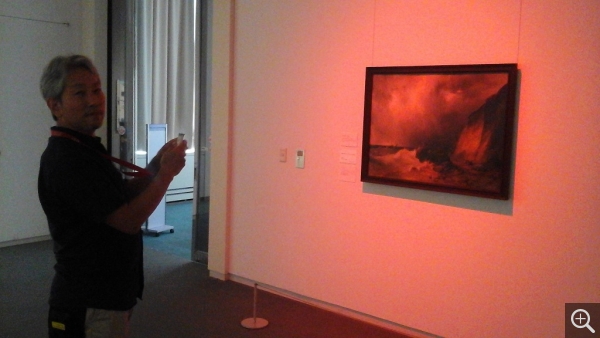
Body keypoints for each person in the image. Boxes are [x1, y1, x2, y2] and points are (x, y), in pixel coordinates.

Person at [38, 54, 186, 338]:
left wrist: (155, 166)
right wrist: (165, 175)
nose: (94, 100)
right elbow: (128, 219)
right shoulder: (67, 159)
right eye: (80, 93)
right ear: (55, 105)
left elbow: (118, 197)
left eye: (96, 89)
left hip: (106, 296)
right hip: (91, 301)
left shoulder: (83, 148)